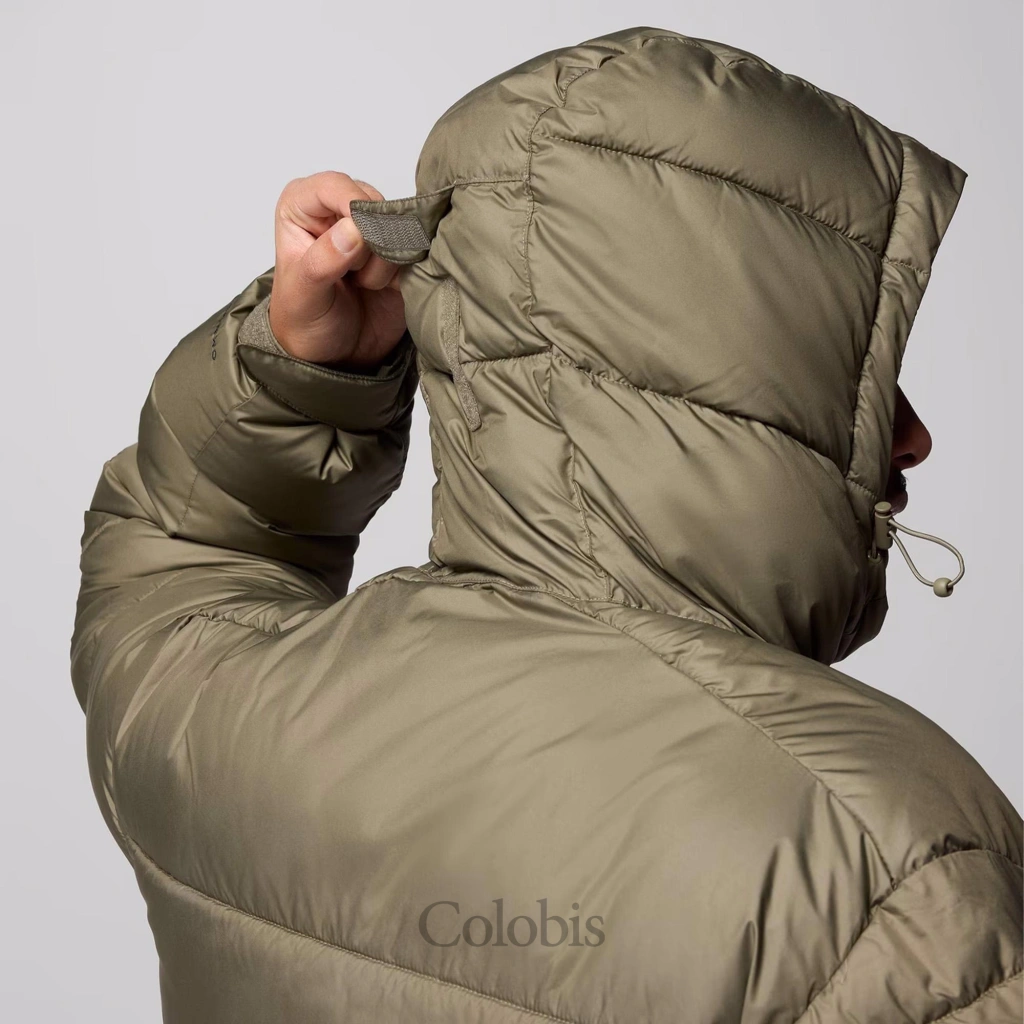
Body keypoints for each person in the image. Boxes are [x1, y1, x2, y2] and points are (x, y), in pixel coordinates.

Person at [71, 25, 1022, 1024]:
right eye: (855, 374)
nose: (910, 436)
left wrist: (302, 378)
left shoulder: (230, 722)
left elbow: (171, 569)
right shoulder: (891, 880)